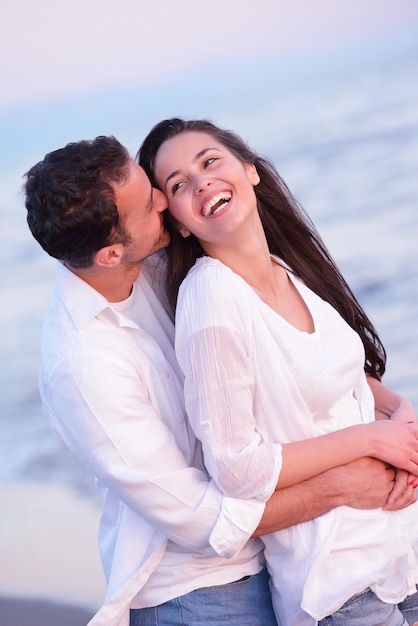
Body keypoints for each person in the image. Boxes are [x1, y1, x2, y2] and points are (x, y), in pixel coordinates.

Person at [24, 136, 412, 626]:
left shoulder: (161, 262)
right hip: (197, 594)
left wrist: (392, 409)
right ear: (109, 254)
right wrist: (340, 486)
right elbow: (199, 519)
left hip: (280, 555)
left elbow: (285, 363)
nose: (165, 203)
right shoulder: (82, 367)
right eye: (150, 203)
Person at [138, 118, 418, 626]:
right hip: (342, 585)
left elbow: (329, 374)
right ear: (178, 221)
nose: (201, 182)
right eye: (178, 184)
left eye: (210, 161)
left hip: (401, 547)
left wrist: (399, 410)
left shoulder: (286, 268)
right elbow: (236, 468)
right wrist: (371, 440)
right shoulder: (211, 298)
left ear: (250, 170)